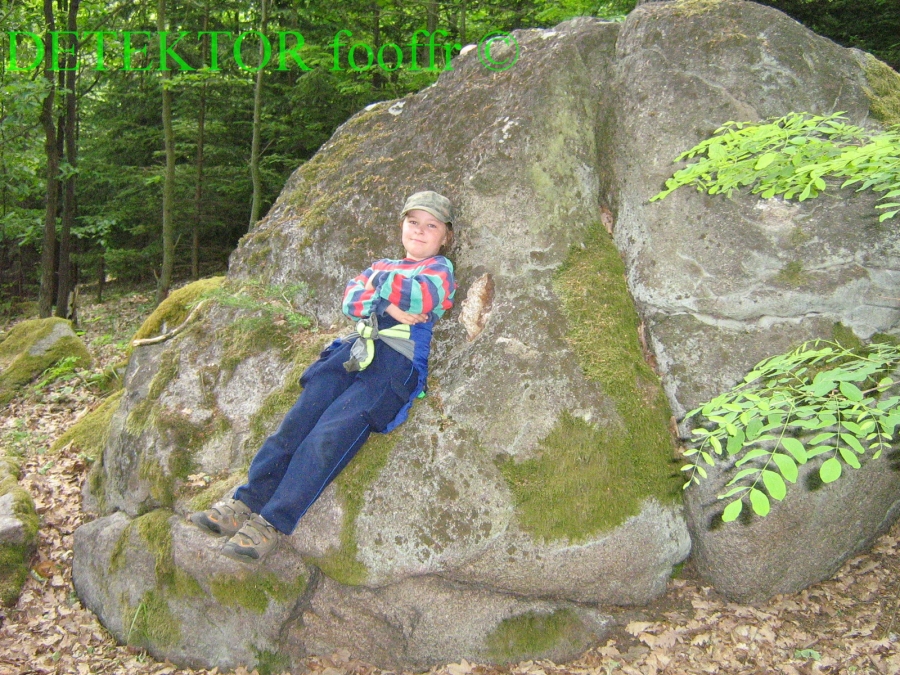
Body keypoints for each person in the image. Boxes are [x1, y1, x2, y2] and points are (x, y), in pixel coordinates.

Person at [190, 191, 457, 561]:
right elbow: (349, 299)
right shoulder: (386, 264)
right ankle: (246, 501)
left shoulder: (440, 270)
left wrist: (375, 287)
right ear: (402, 225)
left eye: (432, 226)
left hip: (395, 363)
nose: (420, 231)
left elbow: (419, 297)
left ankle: (272, 522)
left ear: (445, 237)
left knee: (328, 437)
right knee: (296, 423)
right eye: (413, 222)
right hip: (352, 352)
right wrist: (386, 303)